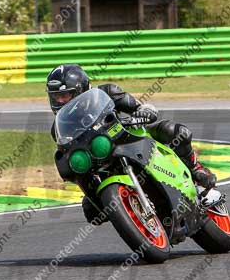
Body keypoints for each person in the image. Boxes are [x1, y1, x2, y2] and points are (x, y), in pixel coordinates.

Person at [46, 64, 217, 224]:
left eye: (64, 95)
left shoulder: (107, 92)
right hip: (101, 159)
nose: (60, 101)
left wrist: (143, 113)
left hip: (130, 136)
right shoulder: (59, 128)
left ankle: (195, 168)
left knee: (176, 131)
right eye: (56, 97)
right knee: (91, 211)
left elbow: (138, 107)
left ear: (81, 89)